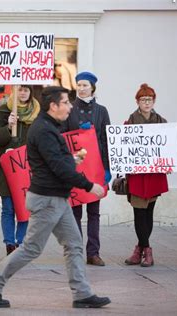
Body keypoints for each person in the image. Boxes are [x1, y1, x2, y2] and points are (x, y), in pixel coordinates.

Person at [0, 86, 111, 309]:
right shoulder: (44, 130)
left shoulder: (49, 126)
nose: (70, 107)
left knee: (74, 244)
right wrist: (89, 185)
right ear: (54, 106)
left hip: (56, 198)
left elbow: (55, 161)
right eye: (66, 102)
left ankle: (82, 293)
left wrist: (72, 160)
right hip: (47, 199)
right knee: (31, 248)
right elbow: (58, 167)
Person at [62, 71, 111, 266]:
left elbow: (107, 140)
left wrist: (108, 168)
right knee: (75, 212)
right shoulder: (69, 109)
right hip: (77, 166)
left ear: (92, 87)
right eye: (79, 85)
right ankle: (76, 252)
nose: (81, 89)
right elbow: (61, 135)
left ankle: (93, 252)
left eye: (85, 85)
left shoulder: (102, 110)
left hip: (97, 167)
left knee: (94, 211)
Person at [124, 83, 168, 267]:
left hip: (154, 174)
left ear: (154, 101)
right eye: (143, 99)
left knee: (148, 212)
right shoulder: (129, 123)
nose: (147, 103)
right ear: (137, 101)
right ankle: (146, 250)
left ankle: (139, 250)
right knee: (138, 213)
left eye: (149, 99)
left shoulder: (162, 123)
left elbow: (167, 147)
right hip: (137, 175)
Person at [0, 85, 40, 255]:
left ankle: (21, 242)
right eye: (20, 89)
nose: (23, 93)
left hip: (27, 167)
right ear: (15, 91)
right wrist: (8, 126)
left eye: (26, 90)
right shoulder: (3, 111)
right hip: (7, 168)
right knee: (8, 208)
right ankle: (9, 244)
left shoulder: (37, 113)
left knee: (24, 207)